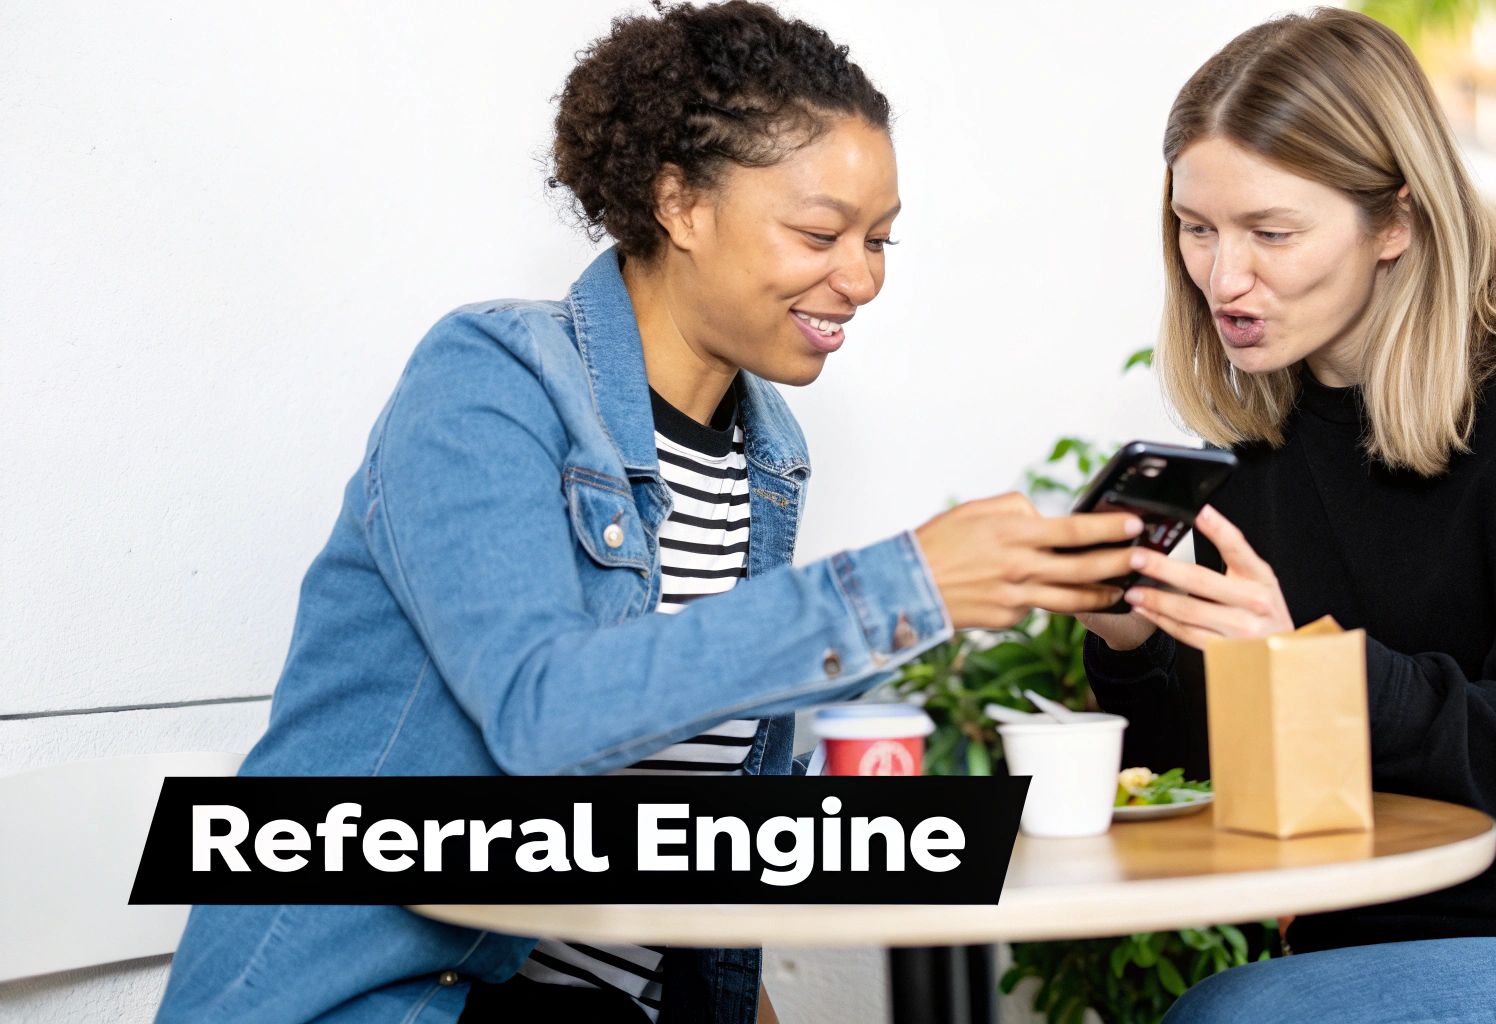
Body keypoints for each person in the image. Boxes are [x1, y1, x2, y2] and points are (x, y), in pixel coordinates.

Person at [153, 4, 1141, 1022]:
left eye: (880, 239)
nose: (861, 278)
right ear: (679, 202)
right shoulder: (489, 380)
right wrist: (901, 585)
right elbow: (546, 710)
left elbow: (687, 787)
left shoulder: (767, 453)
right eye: (819, 232)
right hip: (381, 998)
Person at [1079, 8, 1496, 1023]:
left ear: (1394, 220)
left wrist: (1311, 663)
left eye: (1270, 232)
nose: (1223, 278)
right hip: (1369, 945)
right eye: (1195, 228)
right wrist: (1130, 640)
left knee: (1230, 1020)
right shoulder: (1256, 445)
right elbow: (1220, 783)